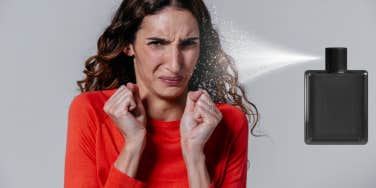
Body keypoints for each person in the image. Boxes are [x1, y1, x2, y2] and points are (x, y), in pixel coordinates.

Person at [64, 0, 259, 187]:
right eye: (157, 43)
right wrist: (132, 146)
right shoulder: (92, 111)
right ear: (128, 45)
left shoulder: (227, 122)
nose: (175, 65)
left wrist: (195, 156)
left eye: (188, 44)